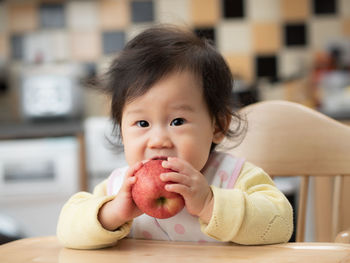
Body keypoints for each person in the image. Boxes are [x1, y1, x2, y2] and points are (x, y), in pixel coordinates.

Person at [57, 25, 293, 249]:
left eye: (177, 121)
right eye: (142, 123)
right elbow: (66, 230)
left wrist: (210, 203)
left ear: (218, 126)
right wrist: (111, 214)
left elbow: (281, 225)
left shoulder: (234, 177)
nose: (158, 140)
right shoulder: (119, 189)